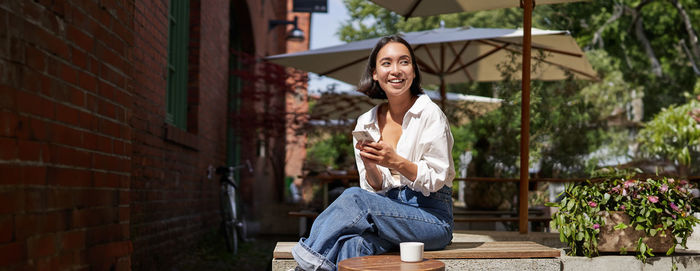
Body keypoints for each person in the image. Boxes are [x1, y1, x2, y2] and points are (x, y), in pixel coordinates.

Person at [291, 35, 455, 271]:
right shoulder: (365, 122)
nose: (396, 70)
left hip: (432, 219)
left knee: (354, 198)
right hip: (386, 215)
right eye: (386, 63)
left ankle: (305, 265)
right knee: (353, 244)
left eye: (404, 62)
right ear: (375, 73)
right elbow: (375, 189)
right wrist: (371, 166)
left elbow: (438, 178)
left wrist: (395, 161)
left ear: (414, 71)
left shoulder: (430, 113)